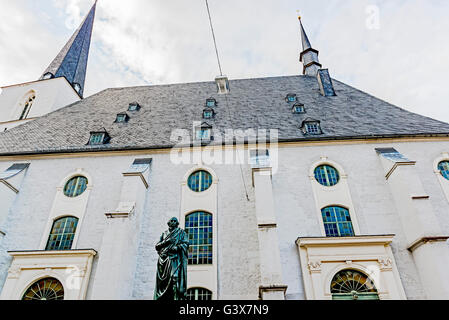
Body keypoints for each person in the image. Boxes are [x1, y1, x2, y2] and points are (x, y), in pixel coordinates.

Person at [154, 217, 189, 300]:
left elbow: (186, 244)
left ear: (177, 224)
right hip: (163, 260)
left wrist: (177, 248)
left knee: (175, 277)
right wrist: (166, 242)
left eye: (175, 221)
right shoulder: (164, 234)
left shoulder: (181, 233)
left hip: (175, 259)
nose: (173, 222)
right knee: (162, 283)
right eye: (171, 221)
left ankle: (176, 297)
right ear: (168, 223)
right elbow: (157, 246)